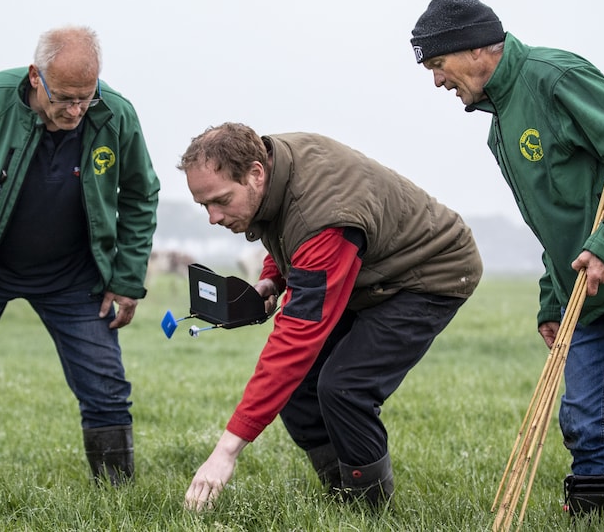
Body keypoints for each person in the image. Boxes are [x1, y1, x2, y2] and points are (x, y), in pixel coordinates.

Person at [410, 0, 604, 529]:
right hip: (584, 286)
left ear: (477, 48)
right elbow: (554, 221)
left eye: (438, 63)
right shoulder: (499, 124)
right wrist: (552, 299)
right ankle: (598, 519)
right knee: (583, 419)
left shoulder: (555, 77)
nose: (436, 80)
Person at [0, 25, 160, 487]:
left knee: (106, 389)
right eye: (65, 98)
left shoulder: (115, 115)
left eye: (86, 98)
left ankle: (119, 496)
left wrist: (126, 277)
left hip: (73, 276)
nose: (76, 111)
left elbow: (140, 193)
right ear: (36, 76)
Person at [177, 122, 483, 510]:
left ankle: (369, 510)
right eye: (204, 205)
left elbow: (297, 337)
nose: (213, 217)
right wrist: (272, 278)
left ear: (255, 172)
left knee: (344, 387)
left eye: (220, 201)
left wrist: (226, 450)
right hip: (370, 271)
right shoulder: (275, 168)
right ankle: (341, 492)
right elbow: (289, 232)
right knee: (302, 388)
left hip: (430, 271)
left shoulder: (322, 214)